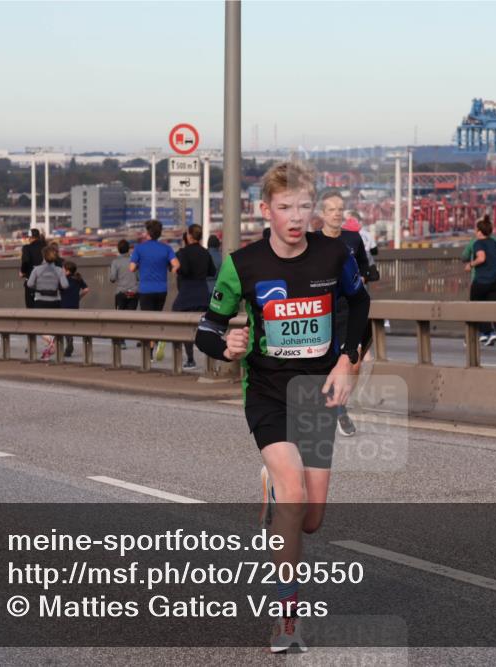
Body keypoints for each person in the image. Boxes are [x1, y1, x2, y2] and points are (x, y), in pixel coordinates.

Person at [194, 161, 369, 653]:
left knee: (310, 518)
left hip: (318, 395)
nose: (296, 217)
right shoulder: (242, 264)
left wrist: (346, 359)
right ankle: (286, 619)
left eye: (305, 206)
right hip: (268, 393)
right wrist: (224, 348)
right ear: (265, 209)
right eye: (285, 207)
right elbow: (208, 327)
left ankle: (277, 491)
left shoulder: (335, 254)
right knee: (293, 494)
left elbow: (360, 305)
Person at [316, 189, 369, 438]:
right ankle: (340, 411)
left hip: (348, 310)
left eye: (340, 209)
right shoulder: (311, 242)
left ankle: (339, 402)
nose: (336, 214)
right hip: (322, 313)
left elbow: (364, 269)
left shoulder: (354, 239)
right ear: (322, 214)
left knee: (353, 362)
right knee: (329, 363)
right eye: (331, 210)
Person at [130, 219, 179, 360]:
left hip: (146, 290)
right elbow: (176, 265)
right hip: (161, 289)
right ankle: (158, 339)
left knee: (147, 321)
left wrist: (141, 265)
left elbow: (131, 268)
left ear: (148, 233)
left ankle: (150, 353)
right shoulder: (166, 248)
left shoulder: (140, 248)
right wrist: (170, 269)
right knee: (157, 317)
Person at [172, 224, 216, 370]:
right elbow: (212, 271)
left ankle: (190, 359)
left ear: (189, 236)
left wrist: (177, 269)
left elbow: (184, 270)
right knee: (205, 328)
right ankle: (210, 361)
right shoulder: (205, 252)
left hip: (186, 294)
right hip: (203, 294)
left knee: (185, 327)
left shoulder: (182, 253)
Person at [467, 216, 496, 351]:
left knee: (476, 308)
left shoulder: (478, 243)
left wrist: (471, 264)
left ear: (480, 231)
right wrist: (493, 263)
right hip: (495, 283)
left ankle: (488, 332)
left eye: (476, 230)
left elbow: (481, 258)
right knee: (494, 309)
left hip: (481, 282)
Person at [26, 245, 69, 360]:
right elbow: (65, 285)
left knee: (37, 326)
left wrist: (39, 285)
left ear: (43, 256)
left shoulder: (37, 269)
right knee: (53, 327)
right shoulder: (59, 270)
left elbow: (29, 284)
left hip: (40, 301)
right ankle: (48, 351)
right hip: (55, 301)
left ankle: (49, 341)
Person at [109, 239, 138, 349]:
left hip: (121, 292)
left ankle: (121, 341)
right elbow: (139, 277)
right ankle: (142, 338)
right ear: (129, 249)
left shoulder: (115, 262)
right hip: (134, 292)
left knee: (120, 318)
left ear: (118, 249)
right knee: (131, 317)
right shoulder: (134, 261)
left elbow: (112, 278)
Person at [60, 260, 89, 357]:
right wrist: (79, 297)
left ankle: (69, 340)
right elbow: (86, 289)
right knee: (71, 324)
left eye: (63, 269)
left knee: (64, 325)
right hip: (74, 305)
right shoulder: (78, 278)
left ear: (67, 270)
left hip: (64, 304)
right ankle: (70, 337)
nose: (61, 270)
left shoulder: (63, 279)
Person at [19, 228, 47, 309]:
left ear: (30, 237)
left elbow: (25, 262)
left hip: (31, 280)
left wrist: (22, 272)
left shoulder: (27, 248)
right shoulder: (46, 247)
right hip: (46, 280)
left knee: (31, 306)